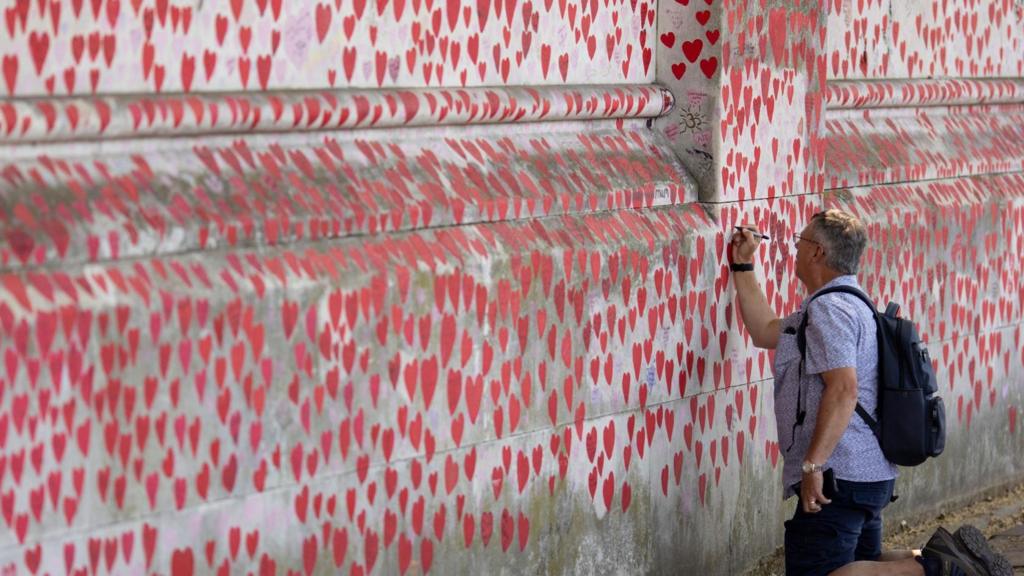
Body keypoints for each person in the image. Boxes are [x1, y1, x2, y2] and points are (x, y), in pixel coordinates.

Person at [731, 210, 1012, 576]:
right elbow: (765, 331)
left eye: (799, 242)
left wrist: (814, 465)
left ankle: (938, 568)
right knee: (859, 563)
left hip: (840, 475)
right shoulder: (849, 302)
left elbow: (844, 389)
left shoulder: (830, 310)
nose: (794, 250)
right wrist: (743, 265)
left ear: (817, 252)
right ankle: (949, 558)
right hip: (867, 473)